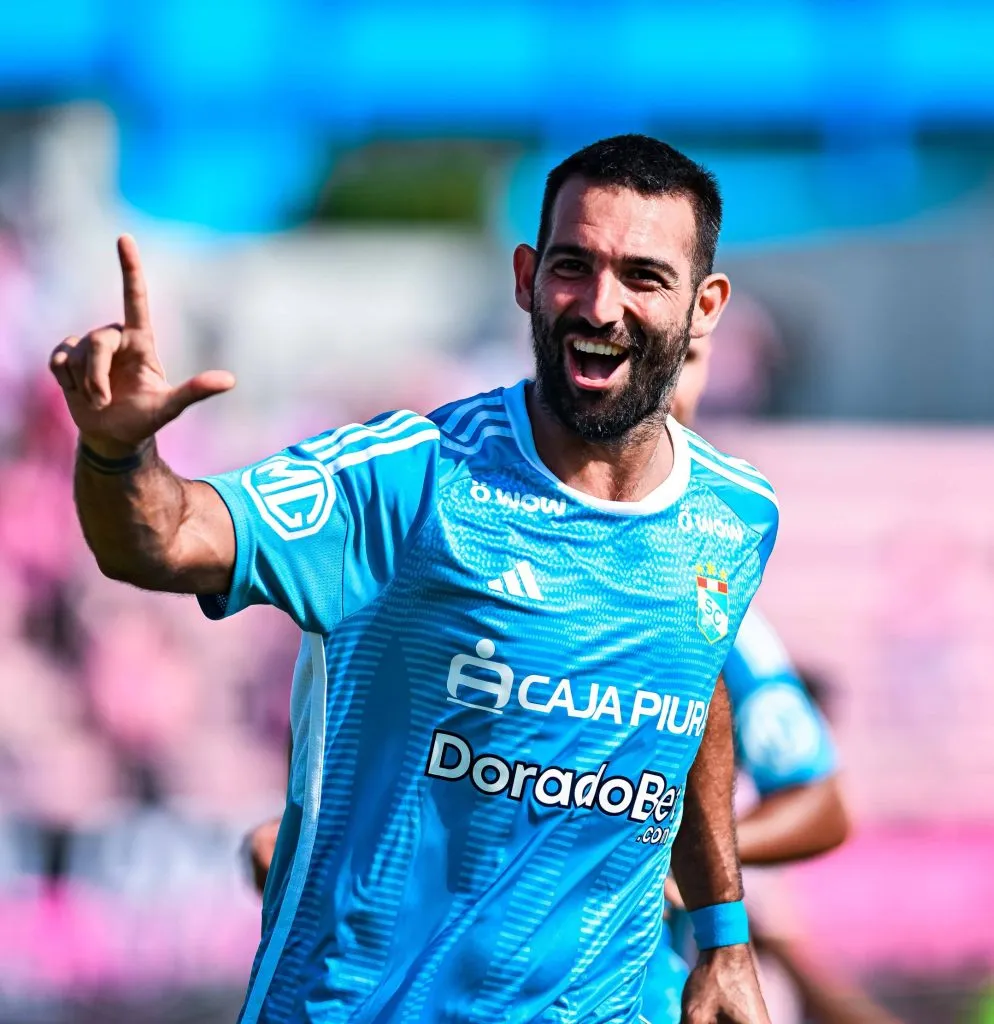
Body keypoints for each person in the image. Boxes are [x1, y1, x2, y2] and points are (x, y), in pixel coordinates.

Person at [49, 135, 779, 1024]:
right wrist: (118, 451)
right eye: (572, 265)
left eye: (643, 277)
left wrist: (725, 937)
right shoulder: (413, 476)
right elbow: (161, 540)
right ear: (524, 276)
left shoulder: (736, 515)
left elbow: (690, 685)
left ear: (705, 307)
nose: (600, 306)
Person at [636, 333, 850, 1023]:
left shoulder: (718, 608)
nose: (667, 384)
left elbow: (821, 805)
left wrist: (685, 855)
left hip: (647, 992)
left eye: (688, 361)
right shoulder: (486, 538)